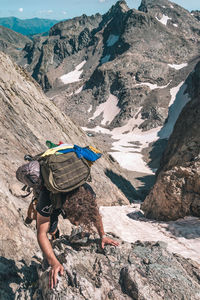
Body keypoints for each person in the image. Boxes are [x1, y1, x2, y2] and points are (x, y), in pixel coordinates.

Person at [36, 183, 119, 289]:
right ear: (67, 212)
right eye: (76, 221)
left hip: (63, 201)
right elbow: (41, 233)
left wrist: (103, 236)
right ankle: (54, 233)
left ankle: (54, 233)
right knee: (50, 228)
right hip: (53, 202)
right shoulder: (47, 198)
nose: (77, 224)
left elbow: (95, 214)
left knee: (52, 227)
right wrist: (54, 263)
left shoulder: (87, 192)